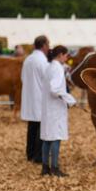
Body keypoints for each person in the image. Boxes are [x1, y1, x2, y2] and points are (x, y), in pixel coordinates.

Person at [40, 45, 76, 177]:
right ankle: (54, 168)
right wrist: (70, 99)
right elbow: (55, 89)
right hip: (55, 108)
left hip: (48, 107)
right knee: (56, 137)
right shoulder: (57, 69)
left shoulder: (50, 67)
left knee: (47, 137)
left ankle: (45, 168)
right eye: (66, 55)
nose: (67, 58)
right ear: (61, 54)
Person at [21, 35, 50, 163]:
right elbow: (48, 81)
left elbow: (22, 78)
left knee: (32, 127)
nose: (49, 47)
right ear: (43, 45)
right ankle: (38, 157)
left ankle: (30, 154)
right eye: (48, 45)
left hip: (29, 98)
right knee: (40, 129)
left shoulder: (28, 59)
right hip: (40, 98)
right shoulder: (43, 61)